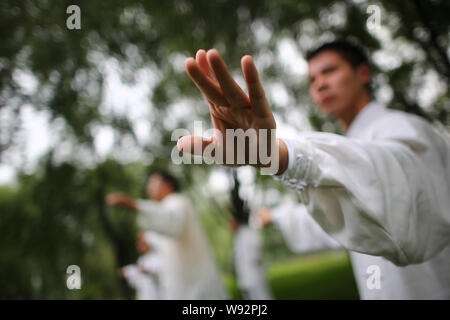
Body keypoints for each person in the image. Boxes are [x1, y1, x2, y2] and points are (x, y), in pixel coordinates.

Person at [179, 40, 450, 298]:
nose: (320, 84)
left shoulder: (404, 128)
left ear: (363, 73)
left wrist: (279, 155)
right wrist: (276, 216)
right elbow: (338, 215)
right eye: (312, 80)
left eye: (329, 71)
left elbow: (394, 179)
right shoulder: (354, 141)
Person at [107, 170, 228, 300]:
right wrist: (147, 238)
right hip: (182, 283)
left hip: (194, 283)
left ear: (168, 184)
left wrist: (135, 206)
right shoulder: (167, 207)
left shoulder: (177, 202)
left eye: (153, 183)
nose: (149, 188)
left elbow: (171, 223)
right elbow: (164, 236)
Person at [231, 216, 273, 300]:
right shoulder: (238, 237)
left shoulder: (248, 233)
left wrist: (253, 259)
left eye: (232, 223)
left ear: (237, 222)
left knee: (262, 294)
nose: (231, 226)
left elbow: (257, 246)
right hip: (245, 274)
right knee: (251, 296)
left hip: (254, 271)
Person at [119, 231, 162, 300]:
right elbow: (136, 272)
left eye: (142, 244)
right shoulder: (141, 260)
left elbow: (159, 270)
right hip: (144, 294)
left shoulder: (156, 256)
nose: (139, 246)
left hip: (155, 293)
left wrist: (148, 271)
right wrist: (126, 272)